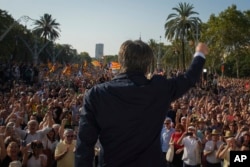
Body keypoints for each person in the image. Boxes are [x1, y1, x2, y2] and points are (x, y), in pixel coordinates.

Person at [75, 40, 208, 167]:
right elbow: (189, 78)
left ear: (121, 61)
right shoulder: (159, 89)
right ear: (147, 65)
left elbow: (84, 145)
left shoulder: (96, 94)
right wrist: (200, 54)